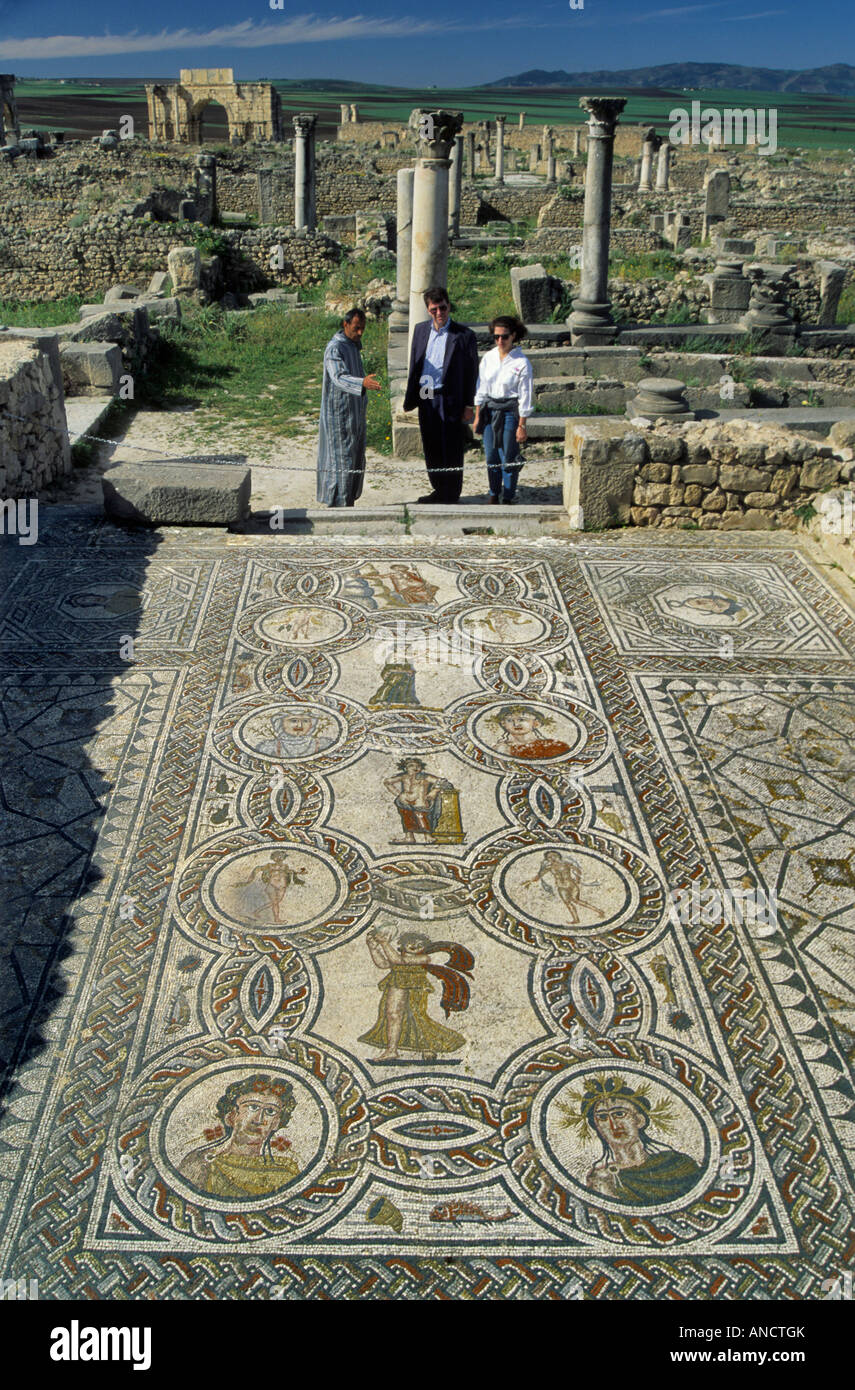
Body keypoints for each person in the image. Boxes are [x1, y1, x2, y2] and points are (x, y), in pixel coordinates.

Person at [572, 1075, 702, 1206]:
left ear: (639, 1120)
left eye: (619, 1114)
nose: (614, 1125)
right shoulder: (599, 1179)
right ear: (597, 1127)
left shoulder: (677, 1164)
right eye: (603, 1117)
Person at [402, 286, 479, 504]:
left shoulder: (464, 335)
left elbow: (472, 371)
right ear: (428, 310)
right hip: (426, 390)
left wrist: (468, 404)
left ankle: (451, 492)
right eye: (434, 309)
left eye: (442, 308)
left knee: (451, 444)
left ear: (449, 306)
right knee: (431, 442)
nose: (439, 313)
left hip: (450, 393)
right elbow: (415, 363)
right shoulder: (420, 330)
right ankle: (438, 489)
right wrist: (411, 396)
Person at [359, 927, 473, 1061]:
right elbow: (383, 963)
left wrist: (384, 943)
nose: (415, 945)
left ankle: (427, 1046)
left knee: (416, 1015)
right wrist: (373, 948)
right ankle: (391, 1050)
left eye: (420, 945)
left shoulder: (424, 958)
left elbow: (400, 961)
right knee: (392, 1015)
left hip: (416, 986)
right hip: (396, 983)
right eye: (411, 942)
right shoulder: (395, 955)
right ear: (402, 944)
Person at [178, 1073, 299, 1198]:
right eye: (253, 1107)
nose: (259, 1120)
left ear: (275, 1123)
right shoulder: (200, 1162)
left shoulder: (285, 1172)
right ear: (231, 1116)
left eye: (270, 1111)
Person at [316, 308, 381, 508]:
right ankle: (338, 506)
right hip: (339, 415)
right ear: (345, 325)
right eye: (356, 328)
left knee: (354, 458)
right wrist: (362, 383)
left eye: (362, 328)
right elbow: (338, 376)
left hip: (355, 414)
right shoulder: (334, 348)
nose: (360, 332)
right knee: (340, 461)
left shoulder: (353, 346)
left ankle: (348, 502)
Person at [473, 314, 533, 505]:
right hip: (490, 410)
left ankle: (507, 495)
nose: (500, 341)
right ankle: (493, 491)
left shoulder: (521, 363)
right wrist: (477, 416)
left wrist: (522, 425)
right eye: (496, 337)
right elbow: (481, 387)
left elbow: (525, 395)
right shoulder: (489, 358)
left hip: (509, 411)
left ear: (513, 336)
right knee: (491, 455)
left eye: (504, 337)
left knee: (508, 456)